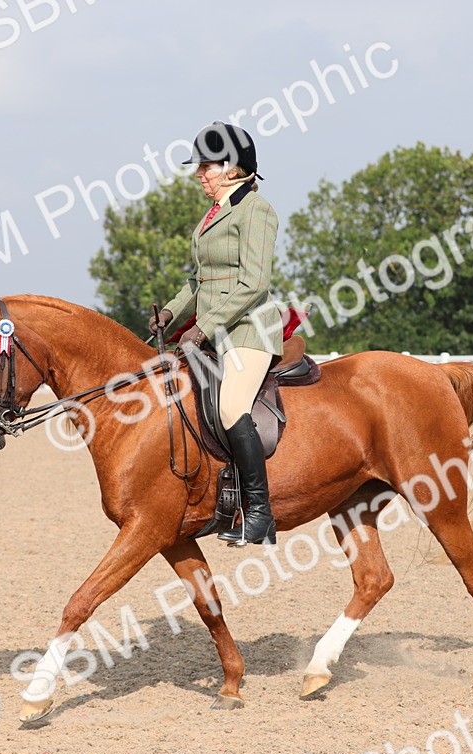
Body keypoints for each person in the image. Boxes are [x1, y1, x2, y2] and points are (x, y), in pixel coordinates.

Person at [148, 121, 283, 546]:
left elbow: (255, 283)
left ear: (234, 168)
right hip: (215, 333)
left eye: (206, 166)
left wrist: (203, 328)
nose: (198, 174)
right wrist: (171, 313)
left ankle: (259, 514)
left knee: (229, 408)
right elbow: (199, 281)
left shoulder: (256, 211)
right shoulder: (213, 215)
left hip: (248, 332)